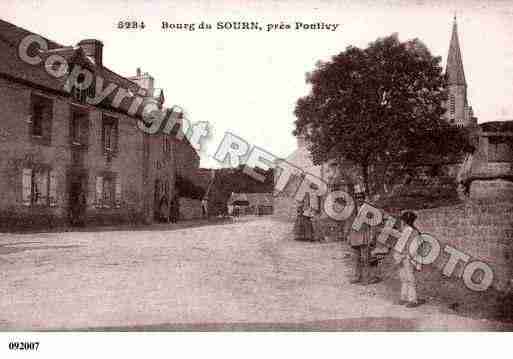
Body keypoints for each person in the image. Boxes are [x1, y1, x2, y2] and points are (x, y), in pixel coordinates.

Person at [347, 190, 380, 285]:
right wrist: (348, 235)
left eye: (361, 198)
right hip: (354, 235)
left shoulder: (368, 209)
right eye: (357, 198)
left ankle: (367, 277)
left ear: (364, 199)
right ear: (355, 199)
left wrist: (372, 236)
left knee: (366, 258)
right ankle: (357, 276)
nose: (359, 199)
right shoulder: (353, 209)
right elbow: (350, 223)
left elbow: (373, 223)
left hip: (364, 234)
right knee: (356, 258)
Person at [393, 211, 424, 308]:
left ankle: (413, 300)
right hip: (402, 257)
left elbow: (415, 247)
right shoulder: (405, 230)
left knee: (410, 278)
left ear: (406, 221)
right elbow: (400, 244)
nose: (403, 222)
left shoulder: (414, 232)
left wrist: (407, 255)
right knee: (403, 277)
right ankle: (404, 297)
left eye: (404, 220)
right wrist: (399, 256)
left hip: (408, 258)